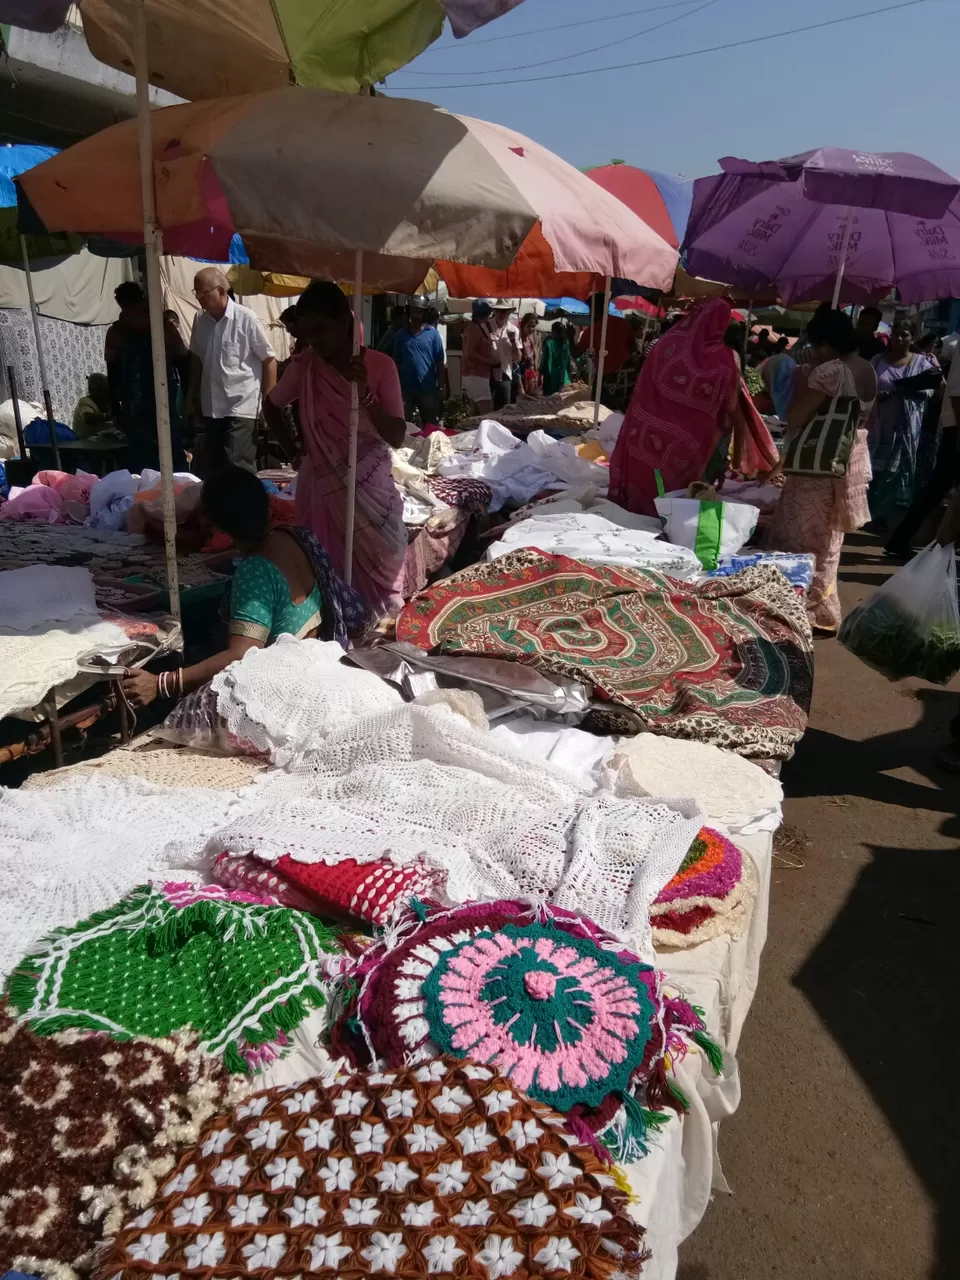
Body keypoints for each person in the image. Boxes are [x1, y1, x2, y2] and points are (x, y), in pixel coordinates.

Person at [121, 465, 368, 709]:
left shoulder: (255, 571)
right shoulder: (299, 537)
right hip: (314, 665)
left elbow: (242, 654)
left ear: (216, 525)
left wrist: (163, 683)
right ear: (267, 504)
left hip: (282, 690)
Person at [262, 280, 408, 617]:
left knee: (382, 571)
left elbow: (397, 436)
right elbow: (271, 406)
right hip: (321, 487)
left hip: (371, 487)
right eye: (308, 331)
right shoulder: (305, 367)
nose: (314, 339)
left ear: (344, 322)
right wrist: (294, 452)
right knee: (324, 568)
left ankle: (378, 625)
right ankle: (335, 627)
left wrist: (365, 394)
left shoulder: (380, 366)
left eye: (321, 329)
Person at [765, 307, 877, 633]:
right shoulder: (868, 369)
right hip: (849, 460)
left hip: (817, 465)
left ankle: (797, 607)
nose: (812, 351)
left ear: (826, 344)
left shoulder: (829, 371)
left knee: (800, 535)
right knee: (829, 539)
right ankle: (824, 610)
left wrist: (807, 376)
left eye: (814, 345)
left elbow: (796, 417)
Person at [610, 298, 775, 517]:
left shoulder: (664, 345)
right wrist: (722, 455)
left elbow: (643, 385)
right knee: (680, 489)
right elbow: (729, 409)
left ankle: (636, 515)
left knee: (645, 476)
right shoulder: (726, 359)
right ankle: (668, 521)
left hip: (647, 428)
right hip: (693, 443)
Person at [187, 266, 277, 475]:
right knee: (215, 466)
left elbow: (269, 360)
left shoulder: (246, 318)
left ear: (220, 291)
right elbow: (196, 359)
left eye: (202, 292)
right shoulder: (200, 320)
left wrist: (268, 401)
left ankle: (246, 496)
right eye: (196, 292)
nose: (198, 298)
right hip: (211, 405)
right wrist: (191, 396)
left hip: (241, 404)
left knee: (237, 463)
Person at [104, 281, 188, 473]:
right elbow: (183, 363)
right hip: (166, 401)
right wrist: (188, 399)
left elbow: (112, 372)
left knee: (141, 462)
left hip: (134, 406)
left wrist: (115, 408)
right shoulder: (165, 327)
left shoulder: (116, 332)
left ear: (120, 303)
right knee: (172, 453)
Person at [866, 321, 941, 526]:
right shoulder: (877, 360)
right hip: (878, 424)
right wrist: (877, 395)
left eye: (905, 335)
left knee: (894, 470)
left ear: (912, 338)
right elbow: (866, 386)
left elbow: (932, 391)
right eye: (896, 334)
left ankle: (881, 514)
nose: (899, 339)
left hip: (905, 426)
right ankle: (866, 511)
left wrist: (908, 389)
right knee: (871, 469)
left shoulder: (922, 363)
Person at [392, 295, 447, 426]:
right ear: (409, 312)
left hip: (427, 389)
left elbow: (439, 363)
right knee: (402, 425)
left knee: (430, 426)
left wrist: (442, 386)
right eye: (414, 311)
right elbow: (395, 363)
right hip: (405, 390)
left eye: (420, 312)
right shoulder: (401, 336)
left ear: (425, 313)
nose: (416, 315)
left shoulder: (433, 335)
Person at [460, 299, 501, 414]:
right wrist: (490, 361)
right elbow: (469, 354)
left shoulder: (477, 327)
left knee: (476, 415)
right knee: (487, 414)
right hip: (476, 375)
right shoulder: (474, 329)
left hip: (476, 375)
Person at [490, 300, 521, 409]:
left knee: (504, 407)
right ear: (495, 310)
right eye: (498, 310)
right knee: (485, 408)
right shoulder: (486, 326)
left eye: (504, 311)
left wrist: (512, 341)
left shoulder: (514, 330)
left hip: (505, 373)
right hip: (487, 372)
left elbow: (517, 358)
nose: (501, 313)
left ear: (509, 312)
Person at [539, 321, 575, 395]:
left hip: (551, 380)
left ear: (553, 331)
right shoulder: (566, 344)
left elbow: (545, 362)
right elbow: (568, 362)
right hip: (564, 378)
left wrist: (540, 373)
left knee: (550, 400)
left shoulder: (548, 343)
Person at [71, 373, 111, 438]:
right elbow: (88, 418)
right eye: (99, 387)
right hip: (83, 441)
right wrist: (108, 416)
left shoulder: (105, 401)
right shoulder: (84, 401)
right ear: (90, 389)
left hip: (99, 440)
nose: (103, 390)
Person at [518, 313, 542, 395]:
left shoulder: (530, 340)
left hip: (530, 375)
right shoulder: (518, 340)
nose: (531, 329)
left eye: (533, 326)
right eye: (528, 326)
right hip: (520, 375)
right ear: (523, 325)